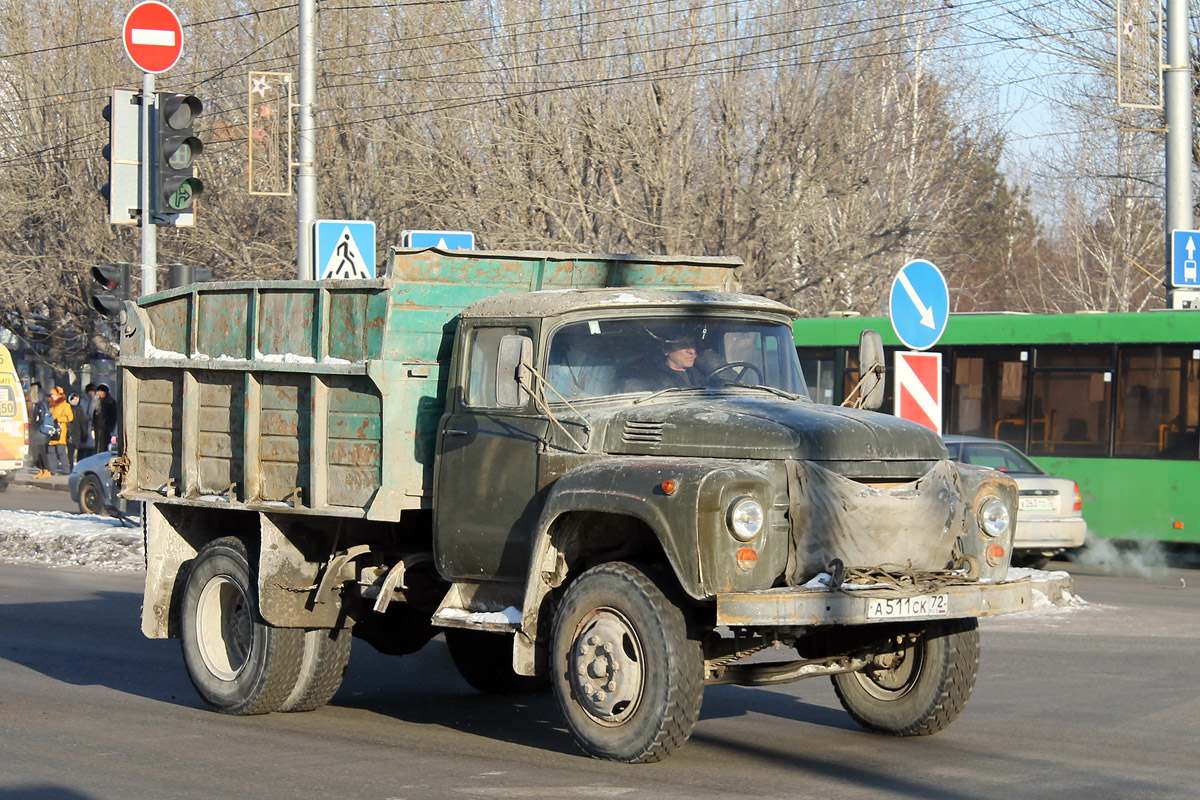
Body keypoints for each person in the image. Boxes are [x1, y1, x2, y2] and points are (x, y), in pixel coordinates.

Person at [624, 333, 706, 392]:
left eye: (692, 345)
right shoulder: (651, 377)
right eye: (683, 346)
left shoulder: (699, 373)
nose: (691, 351)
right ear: (666, 350)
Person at [46, 385, 73, 476]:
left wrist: (59, 420)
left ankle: (66, 470)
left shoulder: (65, 405)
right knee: (51, 451)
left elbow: (70, 417)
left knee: (61, 451)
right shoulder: (51, 405)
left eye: (54, 394)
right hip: (51, 430)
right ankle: (52, 469)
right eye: (51, 395)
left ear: (59, 395)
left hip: (60, 431)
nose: (52, 396)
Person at [28, 382, 50, 478]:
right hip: (38, 433)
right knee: (39, 453)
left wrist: (34, 426)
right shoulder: (38, 404)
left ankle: (46, 470)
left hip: (41, 433)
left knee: (42, 453)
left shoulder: (41, 404)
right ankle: (41, 470)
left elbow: (41, 419)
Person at [92, 384, 118, 453]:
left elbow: (114, 416)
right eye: (99, 392)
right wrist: (93, 426)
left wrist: (111, 428)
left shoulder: (111, 402)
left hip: (107, 427)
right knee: (97, 443)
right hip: (98, 427)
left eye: (102, 392)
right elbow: (94, 416)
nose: (101, 393)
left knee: (105, 444)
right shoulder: (97, 402)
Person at [76, 383, 97, 460]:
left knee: (91, 448)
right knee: (81, 447)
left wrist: (90, 417)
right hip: (83, 426)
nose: (90, 393)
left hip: (92, 427)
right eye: (89, 391)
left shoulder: (97, 401)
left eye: (92, 391)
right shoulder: (83, 401)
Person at [66, 391, 86, 469]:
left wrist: (84, 433)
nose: (75, 401)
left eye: (76, 399)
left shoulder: (79, 408)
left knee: (76, 450)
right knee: (70, 451)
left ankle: (76, 466)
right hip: (69, 431)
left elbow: (82, 422)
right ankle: (70, 466)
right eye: (73, 399)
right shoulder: (67, 407)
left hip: (77, 431)